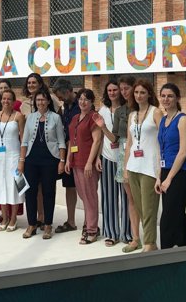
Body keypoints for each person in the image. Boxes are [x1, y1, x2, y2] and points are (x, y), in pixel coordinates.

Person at [19, 89, 66, 239]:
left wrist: (62, 161)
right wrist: (21, 162)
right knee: (30, 193)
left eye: (43, 100)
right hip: (31, 160)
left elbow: (61, 142)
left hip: (50, 160)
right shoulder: (31, 118)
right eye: (38, 100)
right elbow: (24, 141)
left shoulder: (56, 118)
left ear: (48, 102)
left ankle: (47, 225)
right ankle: (31, 224)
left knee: (48, 193)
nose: (41, 102)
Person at [123, 80, 162, 252]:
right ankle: (150, 243)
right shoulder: (132, 115)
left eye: (143, 92)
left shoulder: (156, 112)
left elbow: (163, 140)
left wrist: (161, 169)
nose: (139, 95)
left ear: (149, 94)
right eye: (137, 92)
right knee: (139, 207)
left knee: (149, 208)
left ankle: (149, 243)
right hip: (134, 166)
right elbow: (130, 143)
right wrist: (125, 168)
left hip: (150, 167)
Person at [93, 80, 131, 247]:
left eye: (116, 89)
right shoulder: (102, 111)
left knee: (127, 198)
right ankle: (111, 233)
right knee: (109, 197)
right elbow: (99, 137)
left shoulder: (128, 110)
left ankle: (127, 233)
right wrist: (97, 158)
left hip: (125, 158)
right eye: (109, 90)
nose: (113, 92)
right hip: (107, 157)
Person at [155, 83, 186, 248]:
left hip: (180, 173)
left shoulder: (182, 119)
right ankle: (185, 247)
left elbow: (183, 152)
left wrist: (169, 178)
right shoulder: (163, 120)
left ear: (177, 98)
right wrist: (159, 177)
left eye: (170, 96)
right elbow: (161, 150)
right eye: (163, 96)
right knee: (177, 214)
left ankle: (167, 252)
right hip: (165, 171)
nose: (166, 99)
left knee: (169, 217)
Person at [20, 73, 59, 227]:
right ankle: (34, 219)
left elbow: (57, 120)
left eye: (34, 82)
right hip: (31, 151)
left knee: (46, 188)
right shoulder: (24, 104)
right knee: (32, 189)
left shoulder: (51, 99)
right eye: (29, 82)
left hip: (48, 150)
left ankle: (43, 217)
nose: (31, 85)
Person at [0, 89, 25, 231]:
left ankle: (13, 218)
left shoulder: (18, 116)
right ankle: (5, 217)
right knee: (0, 185)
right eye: (4, 98)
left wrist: (22, 159)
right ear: (0, 100)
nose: (6, 101)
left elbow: (23, 138)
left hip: (14, 156)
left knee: (14, 187)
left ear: (13, 101)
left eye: (9, 99)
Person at [65, 89, 103, 245]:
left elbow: (97, 141)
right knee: (83, 195)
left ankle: (92, 229)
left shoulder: (94, 117)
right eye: (80, 99)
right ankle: (88, 224)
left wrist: (90, 162)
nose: (83, 102)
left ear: (92, 101)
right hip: (75, 162)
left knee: (90, 196)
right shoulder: (75, 117)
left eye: (86, 99)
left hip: (87, 164)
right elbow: (72, 141)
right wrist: (68, 159)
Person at [111, 75, 141, 253]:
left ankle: (149, 236)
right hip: (124, 153)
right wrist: (103, 128)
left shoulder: (146, 109)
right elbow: (115, 138)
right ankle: (135, 238)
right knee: (131, 199)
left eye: (126, 88)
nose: (123, 92)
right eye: (121, 89)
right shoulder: (120, 111)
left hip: (143, 153)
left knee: (143, 198)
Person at [51, 78, 79, 234]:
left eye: (60, 95)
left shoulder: (81, 103)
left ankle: (91, 222)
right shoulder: (64, 108)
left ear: (68, 90)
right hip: (68, 151)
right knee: (69, 186)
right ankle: (71, 220)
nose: (59, 99)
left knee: (84, 188)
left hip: (80, 152)